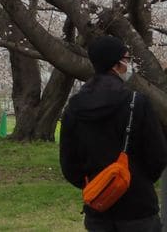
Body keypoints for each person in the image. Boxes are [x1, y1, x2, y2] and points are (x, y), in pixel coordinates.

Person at [60, 35, 167, 232]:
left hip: (98, 205)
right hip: (139, 206)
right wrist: (136, 179)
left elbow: (68, 163)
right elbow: (158, 155)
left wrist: (92, 182)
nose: (129, 64)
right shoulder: (137, 102)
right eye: (127, 59)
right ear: (116, 64)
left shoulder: (74, 107)